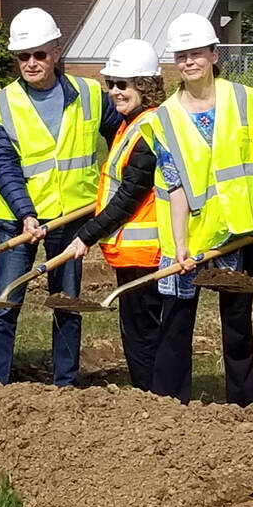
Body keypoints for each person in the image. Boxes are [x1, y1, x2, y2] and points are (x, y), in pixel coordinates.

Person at [0, 7, 121, 387]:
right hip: (18, 220)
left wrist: (114, 178)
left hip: (73, 217)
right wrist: (26, 214)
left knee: (66, 303)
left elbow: (121, 137)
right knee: (5, 302)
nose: (30, 63)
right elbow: (4, 166)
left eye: (39, 54)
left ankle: (65, 384)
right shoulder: (2, 104)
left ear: (56, 51)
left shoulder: (90, 93)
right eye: (22, 56)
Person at [148, 13, 253, 405]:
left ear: (213, 54)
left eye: (197, 54)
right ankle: (169, 405)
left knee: (237, 325)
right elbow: (174, 185)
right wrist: (180, 243)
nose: (189, 62)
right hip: (188, 237)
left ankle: (242, 407)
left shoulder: (245, 99)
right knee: (175, 323)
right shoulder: (164, 118)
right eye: (182, 55)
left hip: (239, 233)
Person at [60, 39, 165, 393]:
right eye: (111, 84)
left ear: (145, 86)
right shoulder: (129, 124)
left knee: (143, 335)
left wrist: (85, 236)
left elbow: (128, 198)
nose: (115, 92)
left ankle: (154, 402)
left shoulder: (148, 129)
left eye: (123, 84)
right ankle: (151, 397)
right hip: (131, 251)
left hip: (145, 252)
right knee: (137, 333)